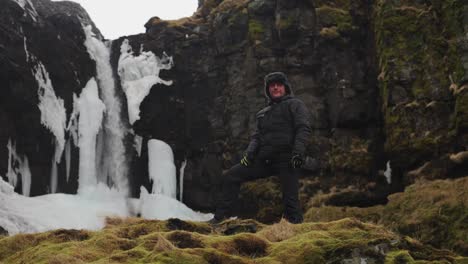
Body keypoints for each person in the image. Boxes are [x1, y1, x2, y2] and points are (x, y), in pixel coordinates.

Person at [210, 72, 311, 224]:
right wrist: (249, 155)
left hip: (287, 159)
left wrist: (298, 154)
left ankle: (295, 231)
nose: (275, 87)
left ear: (285, 87)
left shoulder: (295, 105)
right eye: (272, 85)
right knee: (232, 175)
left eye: (279, 84)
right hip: (265, 159)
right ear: (268, 90)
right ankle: (220, 220)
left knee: (291, 199)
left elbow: (302, 128)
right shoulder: (263, 113)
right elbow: (257, 137)